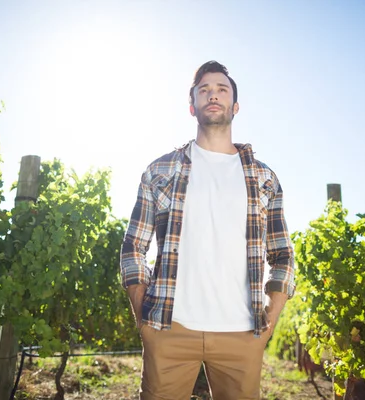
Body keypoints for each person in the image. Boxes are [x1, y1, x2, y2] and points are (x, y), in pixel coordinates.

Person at [120, 60, 295, 399]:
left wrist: (270, 318)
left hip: (242, 334)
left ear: (235, 106)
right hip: (170, 329)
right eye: (204, 90)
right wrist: (141, 308)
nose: (213, 95)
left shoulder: (265, 179)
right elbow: (133, 245)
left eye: (221, 89)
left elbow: (283, 255)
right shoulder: (161, 171)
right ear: (192, 106)